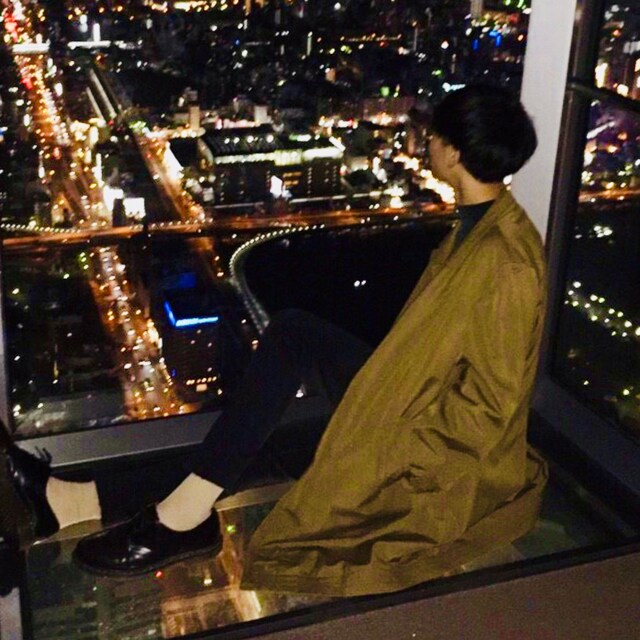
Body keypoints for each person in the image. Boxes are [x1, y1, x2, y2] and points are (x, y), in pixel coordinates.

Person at [0, 85, 547, 596]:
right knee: (290, 338)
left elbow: (491, 403)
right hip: (416, 398)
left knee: (278, 438)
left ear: (453, 153)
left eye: (432, 136)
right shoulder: (479, 226)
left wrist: (395, 443)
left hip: (438, 445)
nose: (425, 144)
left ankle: (116, 509)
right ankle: (112, 507)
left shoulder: (505, 259)